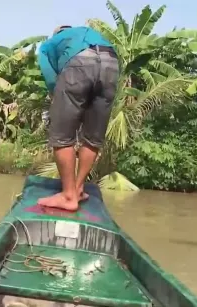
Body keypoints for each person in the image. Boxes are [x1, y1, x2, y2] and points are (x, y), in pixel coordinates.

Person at [37, 25, 120, 211]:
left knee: (61, 135)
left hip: (80, 63)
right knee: (92, 135)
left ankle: (68, 196)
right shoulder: (88, 34)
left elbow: (50, 77)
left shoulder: (50, 43)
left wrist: (58, 98)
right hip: (111, 63)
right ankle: (78, 188)